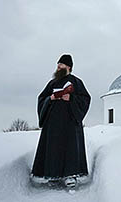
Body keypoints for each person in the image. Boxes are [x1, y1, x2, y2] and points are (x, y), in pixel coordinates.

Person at [31, 54, 91, 188]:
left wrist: (71, 98)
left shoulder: (76, 82)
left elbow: (85, 99)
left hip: (70, 122)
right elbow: (42, 98)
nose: (58, 67)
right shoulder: (52, 83)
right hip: (53, 124)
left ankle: (71, 175)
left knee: (70, 147)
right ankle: (53, 174)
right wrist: (50, 98)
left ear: (68, 67)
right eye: (58, 64)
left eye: (61, 64)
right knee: (53, 147)